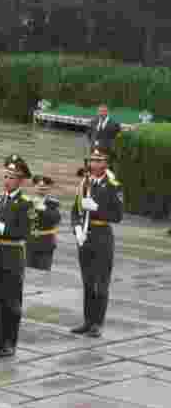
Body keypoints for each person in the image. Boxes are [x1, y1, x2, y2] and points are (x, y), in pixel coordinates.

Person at [0, 155, 33, 358]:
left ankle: (10, 342)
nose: (7, 180)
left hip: (12, 255)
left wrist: (2, 228)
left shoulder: (25, 204)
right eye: (6, 176)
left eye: (12, 177)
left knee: (12, 302)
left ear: (20, 180)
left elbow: (25, 231)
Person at [71, 144, 123, 338]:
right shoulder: (85, 182)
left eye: (99, 160)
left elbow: (117, 216)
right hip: (85, 236)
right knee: (87, 281)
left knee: (100, 282)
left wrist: (96, 208)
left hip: (102, 236)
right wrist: (76, 228)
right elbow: (75, 210)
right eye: (92, 160)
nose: (94, 163)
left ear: (106, 163)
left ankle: (97, 323)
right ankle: (87, 321)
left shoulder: (113, 185)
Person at [26, 175, 61, 271]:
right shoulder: (27, 202)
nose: (42, 187)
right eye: (38, 185)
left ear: (49, 188)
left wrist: (44, 209)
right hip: (29, 243)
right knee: (27, 273)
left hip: (45, 244)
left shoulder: (53, 203)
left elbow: (56, 218)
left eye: (45, 185)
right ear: (34, 187)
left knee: (43, 274)